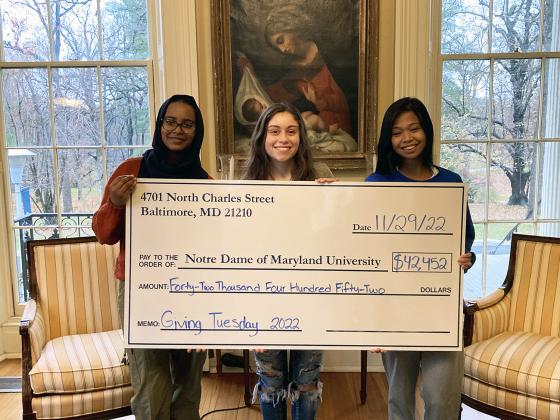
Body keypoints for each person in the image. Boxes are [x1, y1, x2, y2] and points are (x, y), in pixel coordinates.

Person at [92, 94, 209, 420]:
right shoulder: (131, 171)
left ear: (197, 131)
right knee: (149, 377)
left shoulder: (206, 183)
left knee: (188, 380)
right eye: (170, 121)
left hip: (191, 289)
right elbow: (103, 234)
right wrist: (114, 202)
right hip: (139, 289)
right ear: (159, 125)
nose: (177, 130)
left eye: (187, 124)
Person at [365, 97, 476, 420]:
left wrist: (467, 259)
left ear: (426, 131)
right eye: (397, 132)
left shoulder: (451, 182)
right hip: (394, 307)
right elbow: (362, 248)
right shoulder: (377, 184)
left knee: (442, 400)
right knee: (399, 398)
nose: (406, 138)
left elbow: (465, 239)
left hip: (441, 307)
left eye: (413, 128)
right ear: (389, 138)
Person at [244, 102, 330, 419]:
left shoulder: (321, 177)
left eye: (291, 131)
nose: (283, 138)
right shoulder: (247, 186)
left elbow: (336, 239)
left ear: (301, 137)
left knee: (307, 383)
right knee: (270, 385)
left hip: (311, 296)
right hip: (263, 300)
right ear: (262, 137)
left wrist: (335, 204)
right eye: (275, 131)